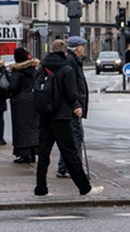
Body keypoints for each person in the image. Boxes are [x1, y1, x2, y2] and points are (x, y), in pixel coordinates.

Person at [33, 39, 103, 199]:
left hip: (45, 116)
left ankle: (41, 188)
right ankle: (85, 187)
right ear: (65, 52)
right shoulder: (66, 68)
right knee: (70, 153)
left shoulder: (43, 67)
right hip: (61, 116)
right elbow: (71, 93)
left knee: (43, 154)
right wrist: (77, 106)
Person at [56, 37, 89, 179]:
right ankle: (72, 168)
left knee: (72, 137)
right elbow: (71, 86)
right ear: (77, 48)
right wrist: (76, 104)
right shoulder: (71, 61)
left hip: (73, 105)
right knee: (75, 138)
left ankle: (63, 167)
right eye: (83, 46)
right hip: (73, 106)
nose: (84, 49)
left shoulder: (73, 60)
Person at [7, 46, 40, 164]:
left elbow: (13, 87)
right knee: (33, 127)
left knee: (20, 127)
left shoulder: (17, 72)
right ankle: (33, 152)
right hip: (33, 99)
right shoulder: (34, 70)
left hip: (20, 101)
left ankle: (24, 153)